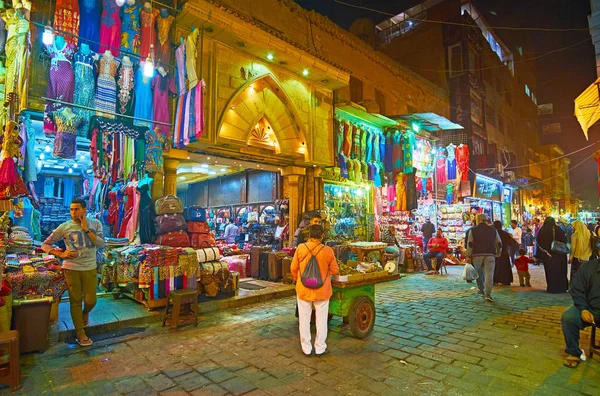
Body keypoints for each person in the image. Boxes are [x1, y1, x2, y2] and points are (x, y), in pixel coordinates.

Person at [42, 198, 104, 346]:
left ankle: (85, 312)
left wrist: (86, 229)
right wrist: (60, 254)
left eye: (76, 209)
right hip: (71, 268)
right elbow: (45, 244)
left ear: (84, 210)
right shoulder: (64, 227)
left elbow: (101, 243)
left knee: (91, 301)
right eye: (71, 209)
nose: (73, 212)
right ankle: (80, 333)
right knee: (75, 301)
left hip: (89, 267)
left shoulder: (95, 224)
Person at [291, 225, 339, 356]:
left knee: (304, 320)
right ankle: (320, 348)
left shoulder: (301, 248)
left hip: (303, 290)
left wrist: (298, 280)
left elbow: (293, 268)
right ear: (322, 236)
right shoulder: (328, 250)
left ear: (309, 235)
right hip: (322, 290)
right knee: (321, 320)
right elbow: (335, 270)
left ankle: (306, 348)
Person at [560, 259, 600, 368]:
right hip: (591, 309)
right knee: (569, 317)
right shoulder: (588, 267)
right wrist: (583, 309)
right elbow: (577, 289)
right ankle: (573, 352)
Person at [465, 214, 502, 302]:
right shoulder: (493, 230)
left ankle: (481, 290)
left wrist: (468, 255)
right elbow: (499, 242)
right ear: (486, 220)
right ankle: (488, 294)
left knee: (479, 273)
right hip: (490, 254)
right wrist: (498, 252)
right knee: (489, 274)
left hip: (477, 255)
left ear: (477, 220)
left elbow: (470, 244)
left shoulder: (473, 230)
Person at [535, 216, 569, 294]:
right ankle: (561, 287)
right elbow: (564, 240)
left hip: (547, 255)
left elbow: (538, 241)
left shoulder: (542, 230)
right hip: (558, 254)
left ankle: (551, 287)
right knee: (560, 271)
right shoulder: (557, 229)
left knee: (550, 271)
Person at [493, 221, 517, 286]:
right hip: (503, 252)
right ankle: (505, 280)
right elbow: (512, 243)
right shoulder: (505, 234)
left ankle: (495, 280)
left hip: (494, 253)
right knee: (504, 266)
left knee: (495, 266)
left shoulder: (492, 234)